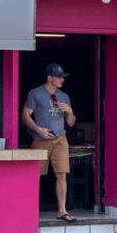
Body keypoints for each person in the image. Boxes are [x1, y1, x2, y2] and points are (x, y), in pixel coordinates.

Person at [22, 63, 77, 223]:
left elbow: (72, 123)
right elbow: (25, 115)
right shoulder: (36, 93)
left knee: (62, 174)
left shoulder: (64, 96)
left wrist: (70, 111)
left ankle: (62, 210)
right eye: (59, 77)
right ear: (49, 78)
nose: (62, 80)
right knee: (35, 174)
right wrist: (38, 129)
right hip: (41, 139)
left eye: (62, 77)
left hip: (60, 138)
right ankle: (29, 209)